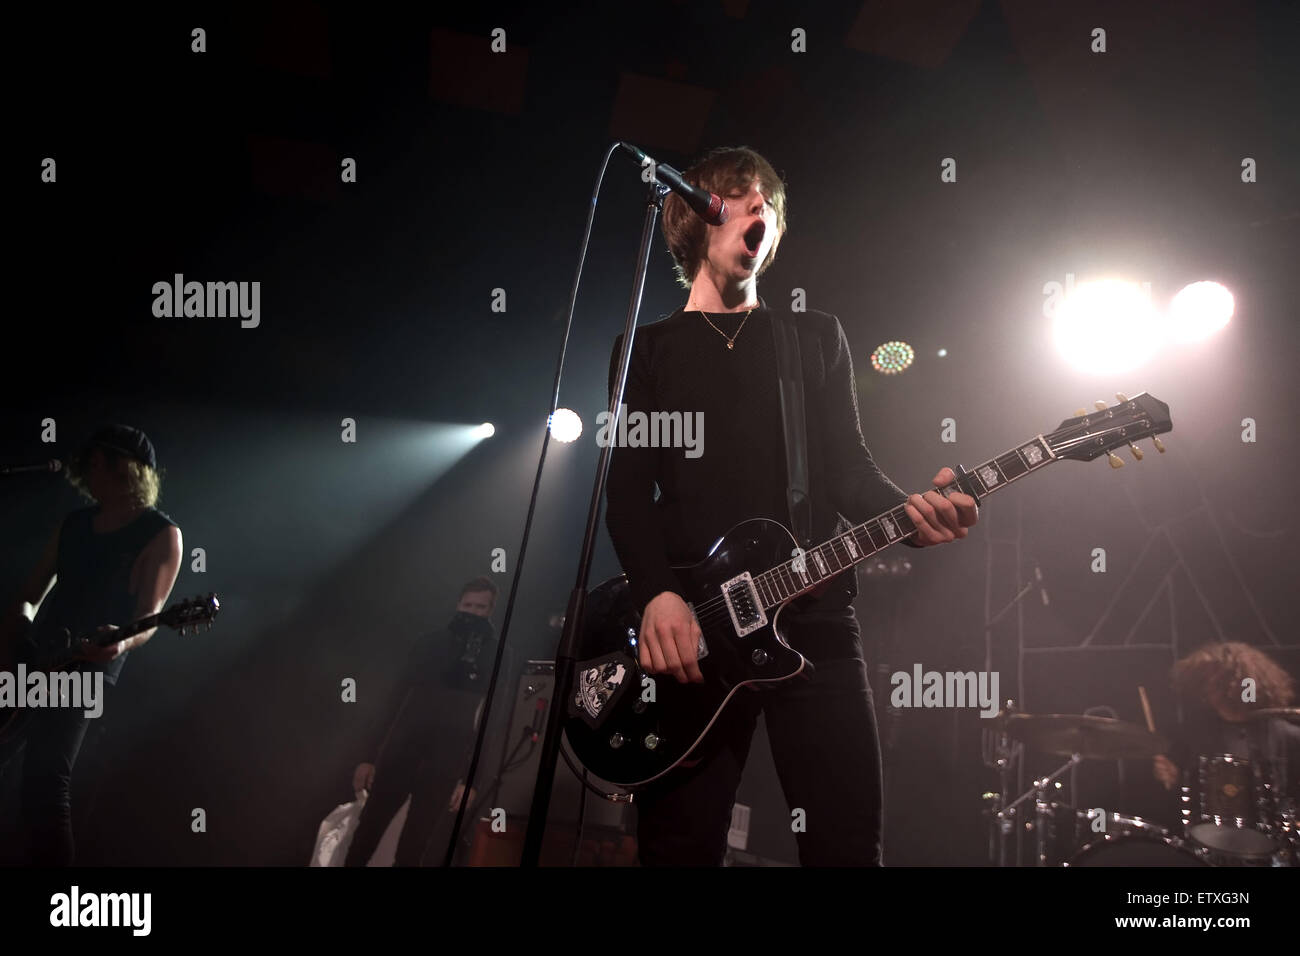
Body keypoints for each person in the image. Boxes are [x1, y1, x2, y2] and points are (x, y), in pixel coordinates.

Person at [603, 146, 979, 866]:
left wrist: (912, 513)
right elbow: (626, 488)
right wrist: (656, 595)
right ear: (694, 215)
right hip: (697, 637)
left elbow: (850, 473)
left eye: (768, 206)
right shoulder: (644, 350)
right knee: (680, 847)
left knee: (844, 843)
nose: (760, 213)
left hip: (816, 622)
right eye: (740, 199)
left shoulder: (812, 337)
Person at [0, 424, 183, 865]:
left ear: (131, 469)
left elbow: (148, 618)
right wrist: (16, 636)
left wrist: (118, 646)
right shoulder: (75, 524)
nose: (91, 467)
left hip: (86, 669)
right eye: (91, 460)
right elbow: (29, 596)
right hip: (34, 659)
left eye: (102, 459)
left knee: (46, 784)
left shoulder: (160, 534)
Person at [345, 576, 514, 866]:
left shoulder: (498, 655)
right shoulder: (430, 643)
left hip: (446, 760)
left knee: (415, 845)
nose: (472, 612)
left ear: (490, 611)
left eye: (480, 607)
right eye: (468, 605)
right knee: (367, 833)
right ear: (458, 604)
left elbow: (493, 719)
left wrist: (472, 780)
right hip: (401, 750)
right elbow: (392, 699)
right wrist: (368, 756)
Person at [1152, 641, 1299, 799]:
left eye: (1217, 682)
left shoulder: (1286, 736)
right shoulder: (1194, 733)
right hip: (1214, 820)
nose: (1209, 689)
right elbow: (1186, 790)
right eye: (1204, 682)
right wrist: (1172, 776)